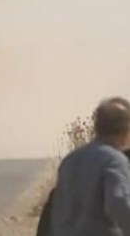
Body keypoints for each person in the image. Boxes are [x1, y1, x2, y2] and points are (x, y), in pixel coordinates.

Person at [38, 97, 130, 235]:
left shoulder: (70, 160)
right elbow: (118, 204)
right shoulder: (115, 160)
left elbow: (54, 212)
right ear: (126, 128)